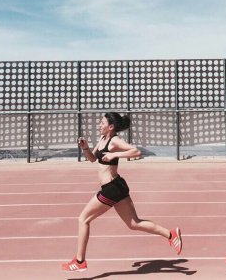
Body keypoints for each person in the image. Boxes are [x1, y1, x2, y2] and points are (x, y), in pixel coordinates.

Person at [61, 112, 182, 272]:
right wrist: (85, 148)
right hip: (116, 187)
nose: (99, 125)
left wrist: (115, 154)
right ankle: (171, 235)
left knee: (83, 219)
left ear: (110, 127)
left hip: (112, 188)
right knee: (134, 223)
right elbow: (92, 159)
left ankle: (80, 261)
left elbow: (136, 152)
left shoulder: (114, 141)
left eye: (102, 123)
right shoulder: (102, 139)